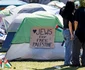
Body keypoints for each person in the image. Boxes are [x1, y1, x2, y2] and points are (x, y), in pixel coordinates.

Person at [59, 1, 75, 66]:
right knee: (69, 48)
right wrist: (72, 34)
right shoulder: (70, 14)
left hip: (64, 30)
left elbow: (61, 9)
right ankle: (67, 62)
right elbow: (70, 24)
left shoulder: (63, 13)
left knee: (66, 47)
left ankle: (67, 61)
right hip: (69, 31)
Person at [72, 0, 85, 67]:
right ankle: (84, 62)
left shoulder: (78, 11)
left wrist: (75, 31)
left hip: (79, 32)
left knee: (76, 49)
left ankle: (75, 63)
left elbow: (76, 22)